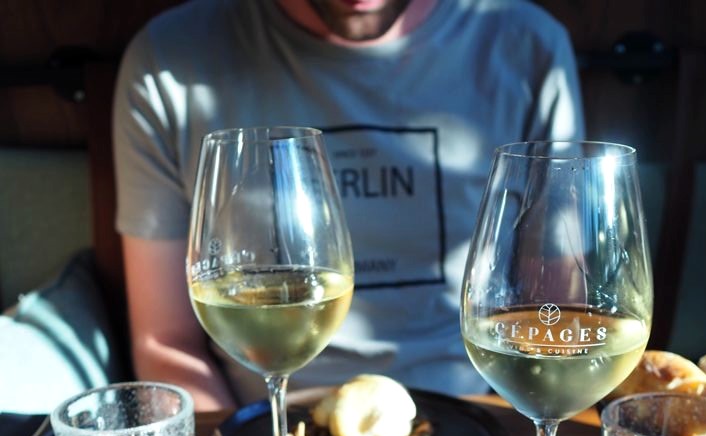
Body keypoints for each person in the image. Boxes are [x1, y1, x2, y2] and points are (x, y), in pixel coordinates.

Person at [113, 0, 584, 410]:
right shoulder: (170, 61)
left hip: (477, 425)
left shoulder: (526, 48)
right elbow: (166, 342)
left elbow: (555, 317)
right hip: (263, 428)